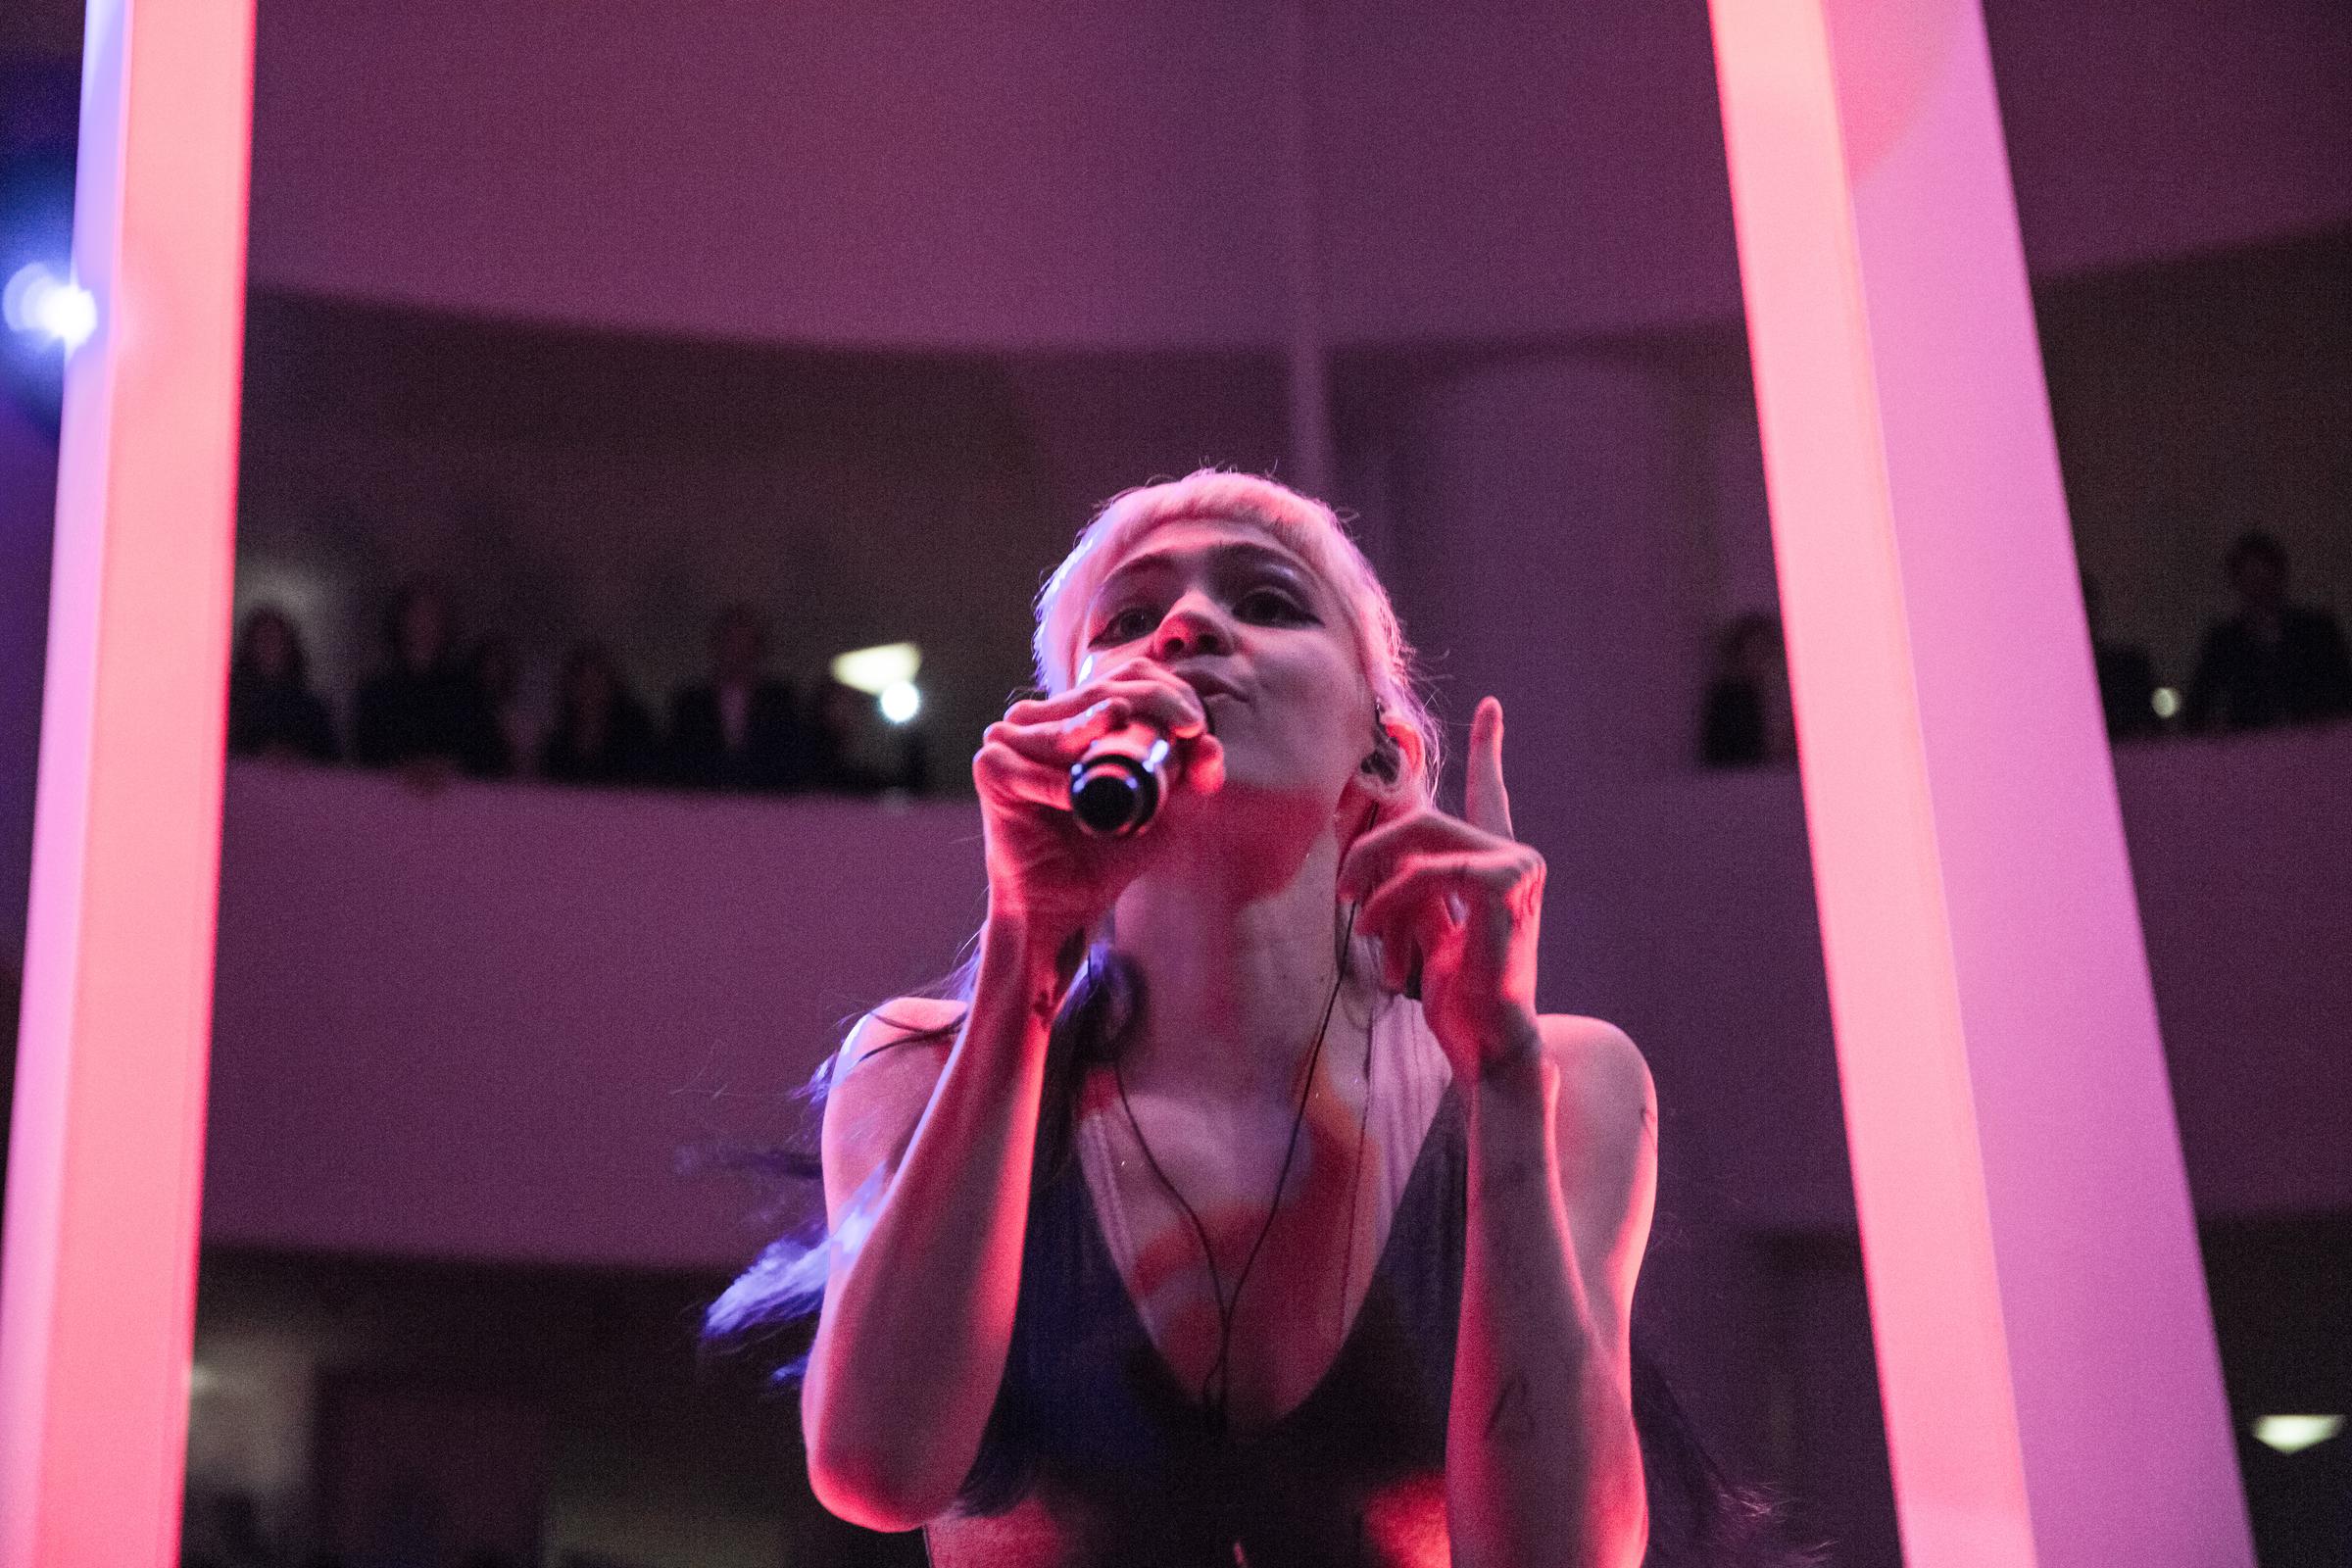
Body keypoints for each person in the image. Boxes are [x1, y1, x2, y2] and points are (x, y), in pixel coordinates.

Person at [708, 473, 1798, 1566]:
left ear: (1382, 750)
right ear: (1061, 733)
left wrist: (1502, 1078)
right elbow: (877, 1470)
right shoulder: (915, 1064)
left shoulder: (1566, 1077)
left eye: (1268, 603)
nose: (1186, 626)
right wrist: (1024, 954)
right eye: (1129, 622)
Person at [2183, 531, 2352, 733]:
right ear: (2237, 582)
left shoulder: (2317, 631)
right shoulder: (2224, 641)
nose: (2260, 584)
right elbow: (2199, 704)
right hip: (2251, 747)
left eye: (2265, 574)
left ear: (2279, 575)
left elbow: (2342, 691)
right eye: (2251, 576)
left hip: (2315, 741)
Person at [351, 581, 507, 782]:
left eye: (432, 615)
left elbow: (487, 752)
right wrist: (406, 767)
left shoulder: (467, 690)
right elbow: (367, 751)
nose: (424, 623)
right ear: (400, 621)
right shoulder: (377, 691)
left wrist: (447, 766)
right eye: (416, 614)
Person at [663, 604, 813, 791]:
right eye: (731, 643)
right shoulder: (692, 703)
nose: (738, 653)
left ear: (759, 650)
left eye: (745, 644)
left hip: (766, 805)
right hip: (702, 806)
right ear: (716, 647)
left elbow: (788, 757)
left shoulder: (780, 701)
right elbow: (680, 760)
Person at [226, 606, 339, 763]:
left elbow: (331, 762)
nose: (269, 648)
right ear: (249, 646)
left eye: (276, 640)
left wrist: (296, 758)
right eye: (262, 640)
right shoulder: (231, 703)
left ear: (290, 646)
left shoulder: (310, 706)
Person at [539, 640, 658, 786]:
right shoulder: (559, 739)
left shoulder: (634, 730)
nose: (589, 691)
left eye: (597, 682)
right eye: (582, 683)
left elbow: (641, 780)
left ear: (612, 684)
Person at [1697, 612, 1795, 767]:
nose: (1763, 660)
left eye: (1767, 651)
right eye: (1755, 651)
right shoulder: (1732, 700)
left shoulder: (1778, 696)